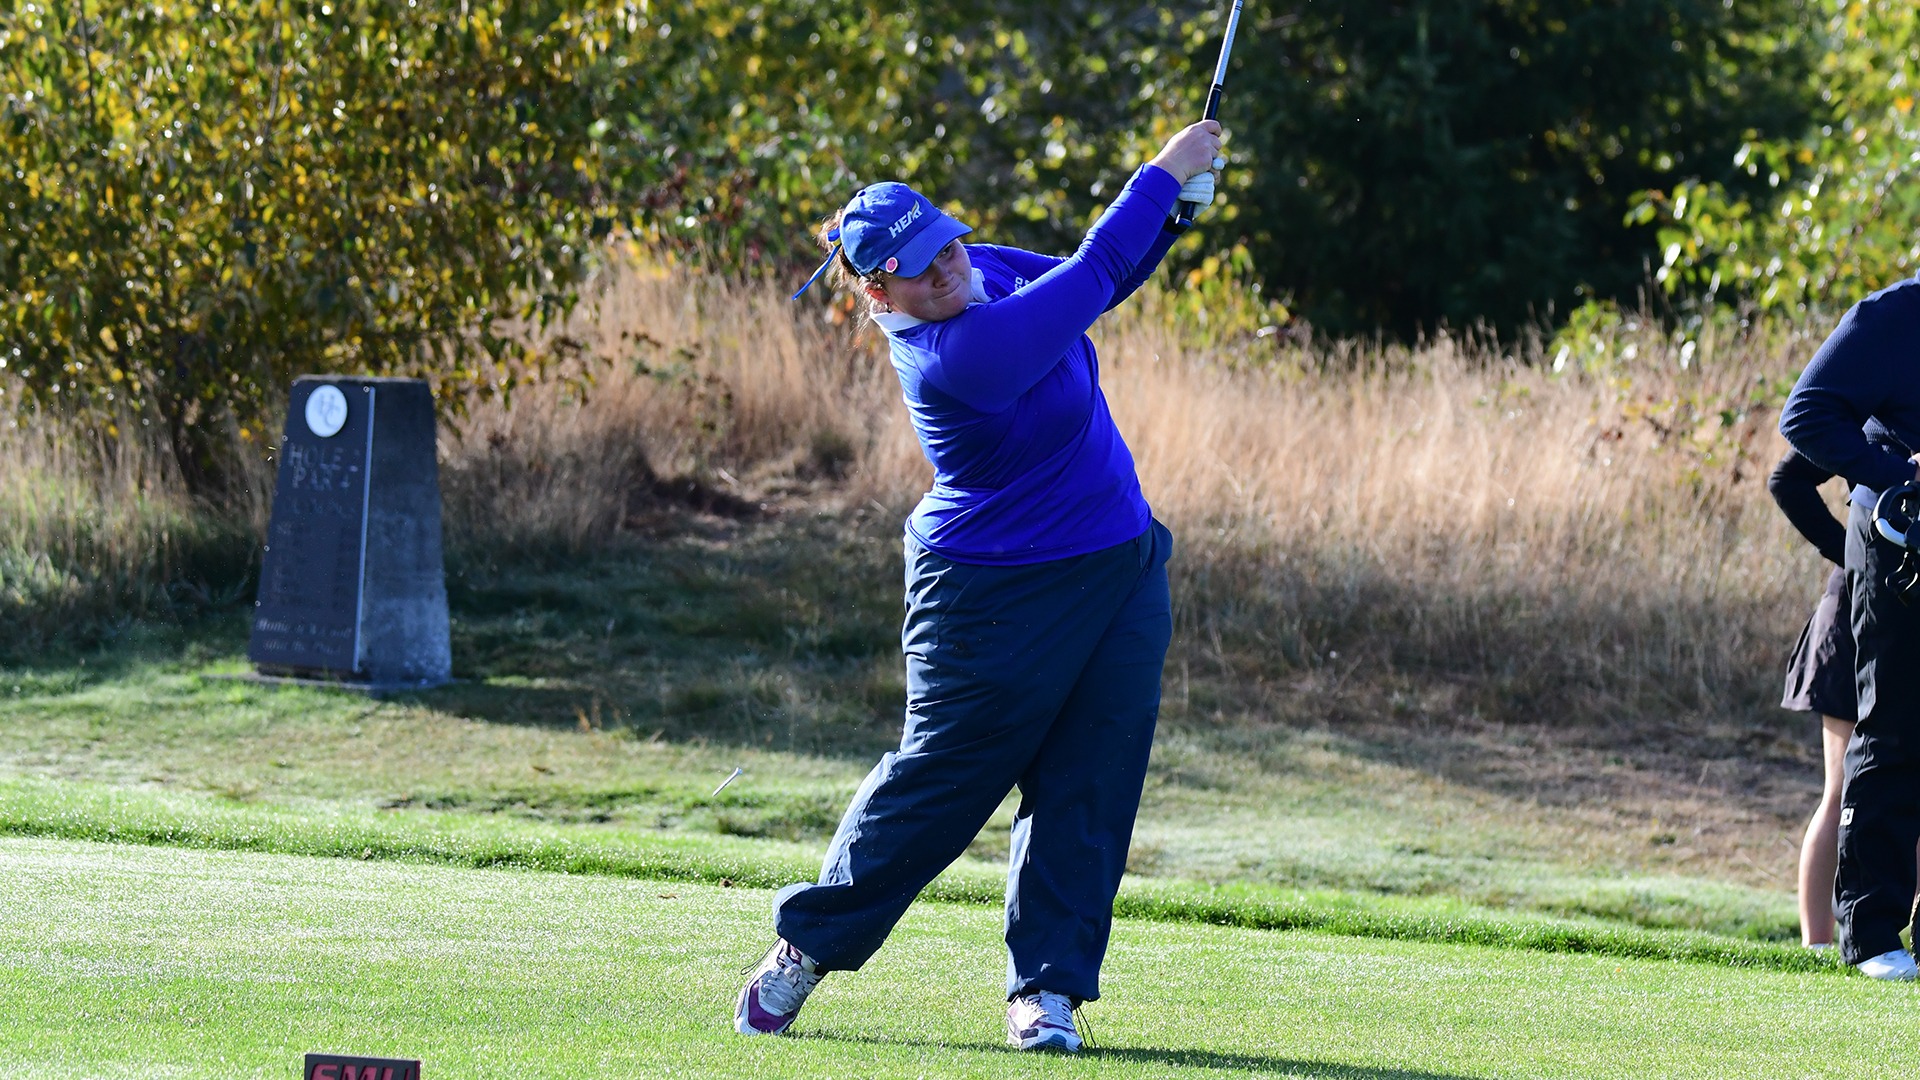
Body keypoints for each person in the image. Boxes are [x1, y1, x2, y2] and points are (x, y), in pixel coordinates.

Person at [734, 119, 1226, 1049]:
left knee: (1092, 778)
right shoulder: (952, 357)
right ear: (878, 292)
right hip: (989, 593)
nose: (947, 269)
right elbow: (1088, 274)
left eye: (947, 245)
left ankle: (1047, 993)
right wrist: (1162, 174)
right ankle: (807, 947)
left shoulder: (979, 269)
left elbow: (1101, 279)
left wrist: (1172, 220)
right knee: (944, 782)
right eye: (918, 269)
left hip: (1119, 563)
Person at [1779, 275, 1920, 979]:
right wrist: (1902, 475)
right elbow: (1806, 416)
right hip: (1901, 545)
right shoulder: (1895, 315)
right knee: (1892, 731)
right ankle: (1872, 936)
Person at [1770, 447, 1859, 948]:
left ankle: (1884, 939)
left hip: (1901, 628)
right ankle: (1818, 947)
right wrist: (1854, 554)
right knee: (1842, 789)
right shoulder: (1882, 415)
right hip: (1855, 621)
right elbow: (1787, 479)